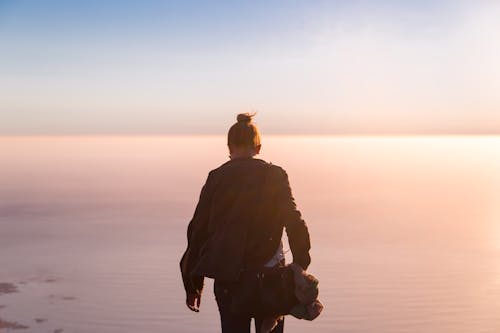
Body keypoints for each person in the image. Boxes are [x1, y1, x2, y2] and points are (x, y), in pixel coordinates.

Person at [180, 113, 311, 333]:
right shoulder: (275, 175)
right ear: (258, 147)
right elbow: (294, 220)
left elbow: (198, 231)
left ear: (229, 147)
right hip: (271, 280)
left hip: (229, 281)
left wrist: (193, 284)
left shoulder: (216, 178)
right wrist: (300, 265)